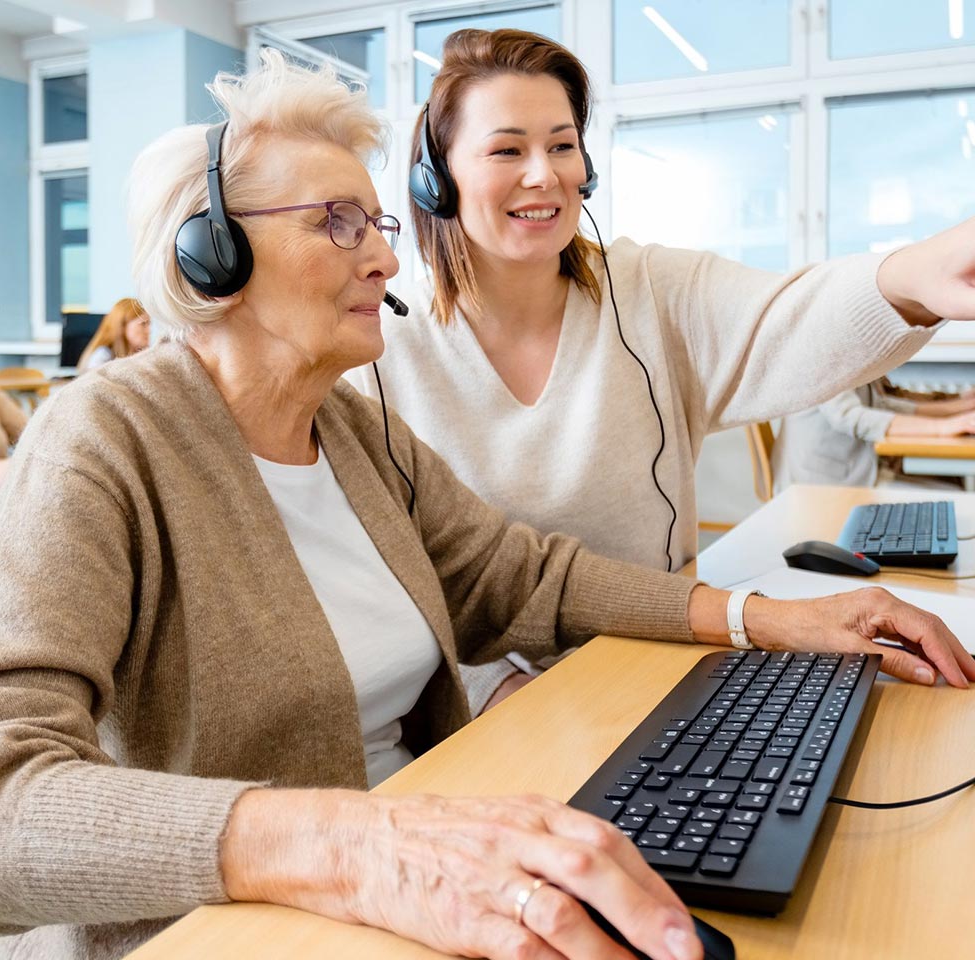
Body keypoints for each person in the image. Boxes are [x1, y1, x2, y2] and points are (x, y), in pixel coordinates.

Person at [0, 52, 975, 960]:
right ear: (209, 258)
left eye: (377, 222)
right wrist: (360, 846)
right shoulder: (106, 440)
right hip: (241, 923)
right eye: (339, 225)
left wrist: (769, 621)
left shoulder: (355, 435)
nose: (384, 255)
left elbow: (524, 580)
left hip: (424, 877)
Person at [346, 28, 975, 708]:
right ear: (435, 180)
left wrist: (918, 274)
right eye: (507, 149)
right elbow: (385, 581)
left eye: (562, 145)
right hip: (493, 700)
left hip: (669, 653)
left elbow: (789, 314)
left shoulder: (649, 289)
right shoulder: (380, 350)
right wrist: (491, 687)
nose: (545, 174)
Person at [773, 378, 975, 490]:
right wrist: (944, 427)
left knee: (952, 483)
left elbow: (881, 404)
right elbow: (849, 416)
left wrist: (958, 409)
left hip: (853, 471)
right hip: (821, 485)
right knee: (953, 498)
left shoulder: (853, 346)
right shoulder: (823, 349)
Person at [76, 297, 151, 372]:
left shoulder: (140, 357)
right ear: (122, 326)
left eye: (149, 323)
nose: (149, 330)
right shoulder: (102, 356)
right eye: (143, 324)